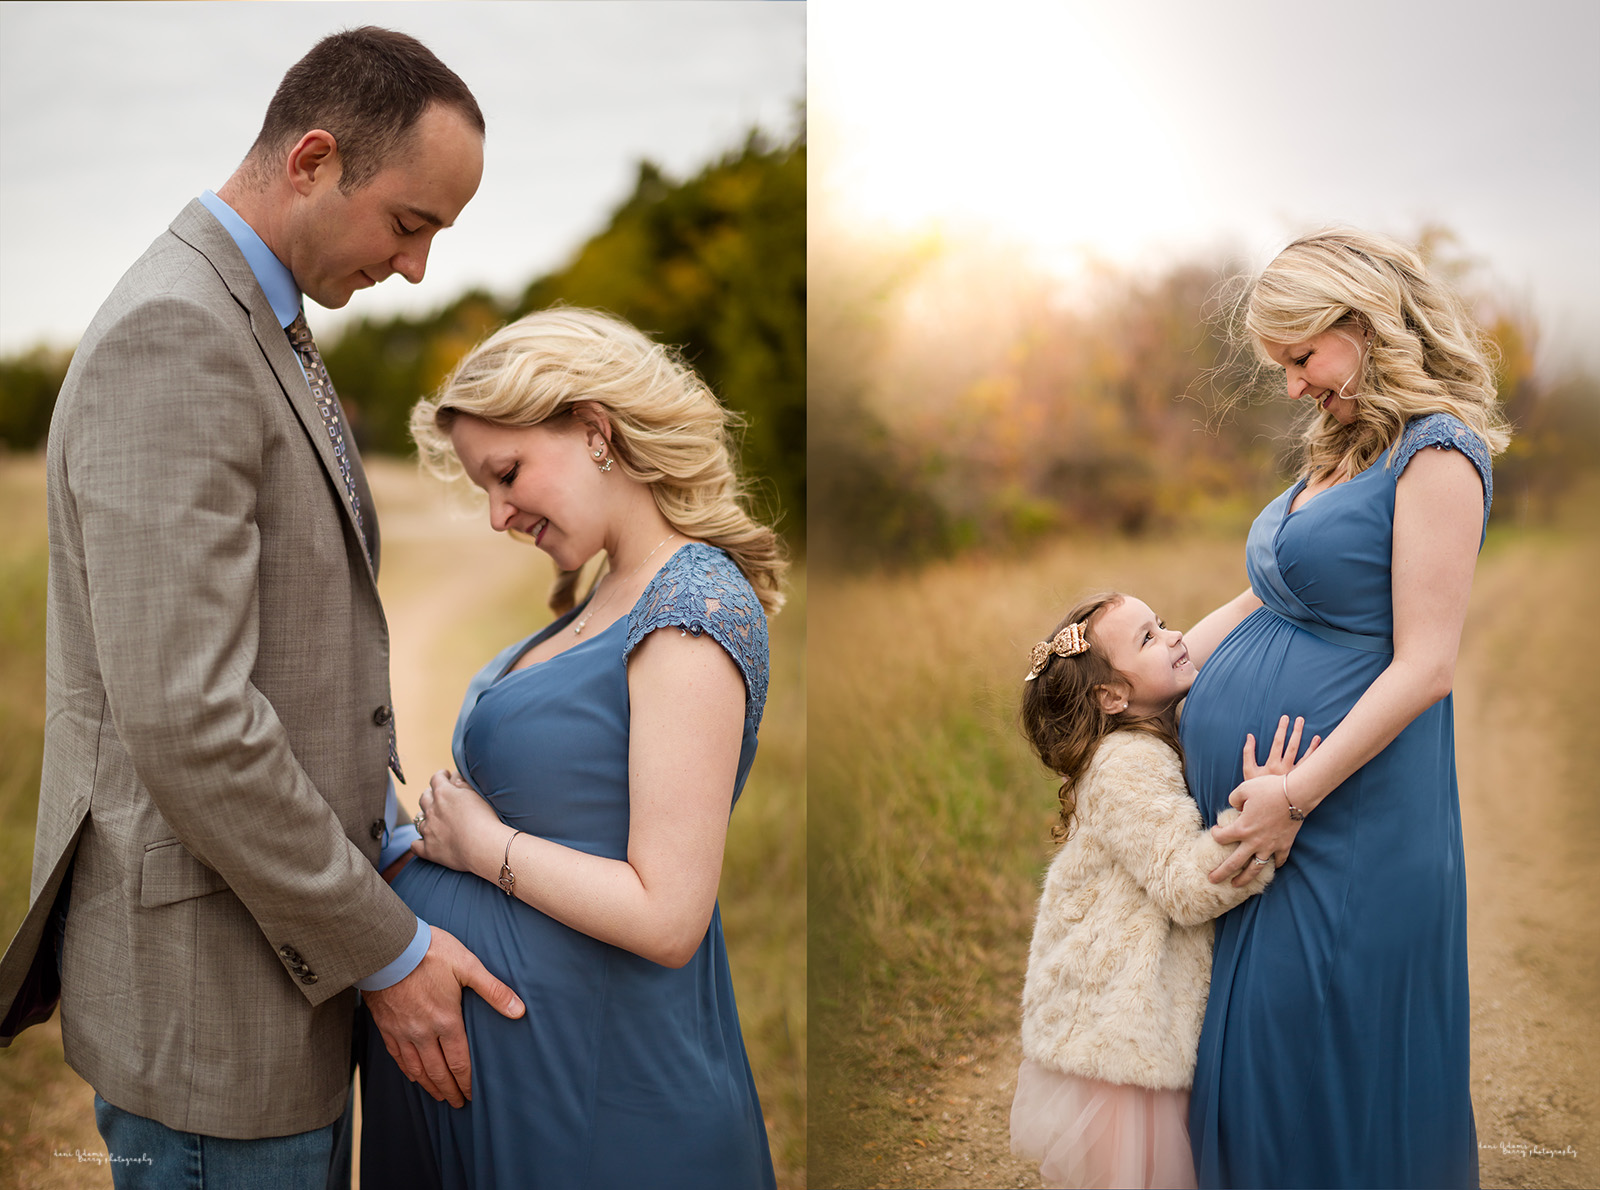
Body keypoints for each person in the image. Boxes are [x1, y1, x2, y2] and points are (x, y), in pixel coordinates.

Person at [0, 28, 523, 1189]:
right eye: (409, 222)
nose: (420, 267)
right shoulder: (176, 333)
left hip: (274, 965)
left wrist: (391, 840)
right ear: (313, 160)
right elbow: (191, 719)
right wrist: (389, 952)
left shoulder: (261, 317)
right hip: (212, 1000)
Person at [357, 307, 785, 1189]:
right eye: (484, 486)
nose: (497, 514)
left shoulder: (693, 607)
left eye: (506, 473)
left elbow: (668, 917)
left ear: (595, 428)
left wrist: (482, 849)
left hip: (601, 1099)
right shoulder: (606, 592)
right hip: (529, 1083)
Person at [1176, 228, 1509, 1187]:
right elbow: (1265, 593)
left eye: (1300, 357)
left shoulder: (1437, 451)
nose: (1292, 385)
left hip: (1348, 815)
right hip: (1279, 815)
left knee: (1318, 1057)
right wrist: (1134, 696)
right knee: (1253, 1069)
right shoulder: (1343, 444)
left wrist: (1298, 793)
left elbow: (1424, 667)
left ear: (1362, 326)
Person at [1009, 592, 1317, 1189]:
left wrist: (1262, 588)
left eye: (1163, 623)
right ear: (1112, 696)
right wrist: (1260, 818)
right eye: (1148, 638)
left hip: (1126, 1024)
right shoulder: (1127, 762)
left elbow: (1197, 640)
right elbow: (1185, 885)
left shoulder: (1141, 725)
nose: (1174, 637)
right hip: (1124, 1036)